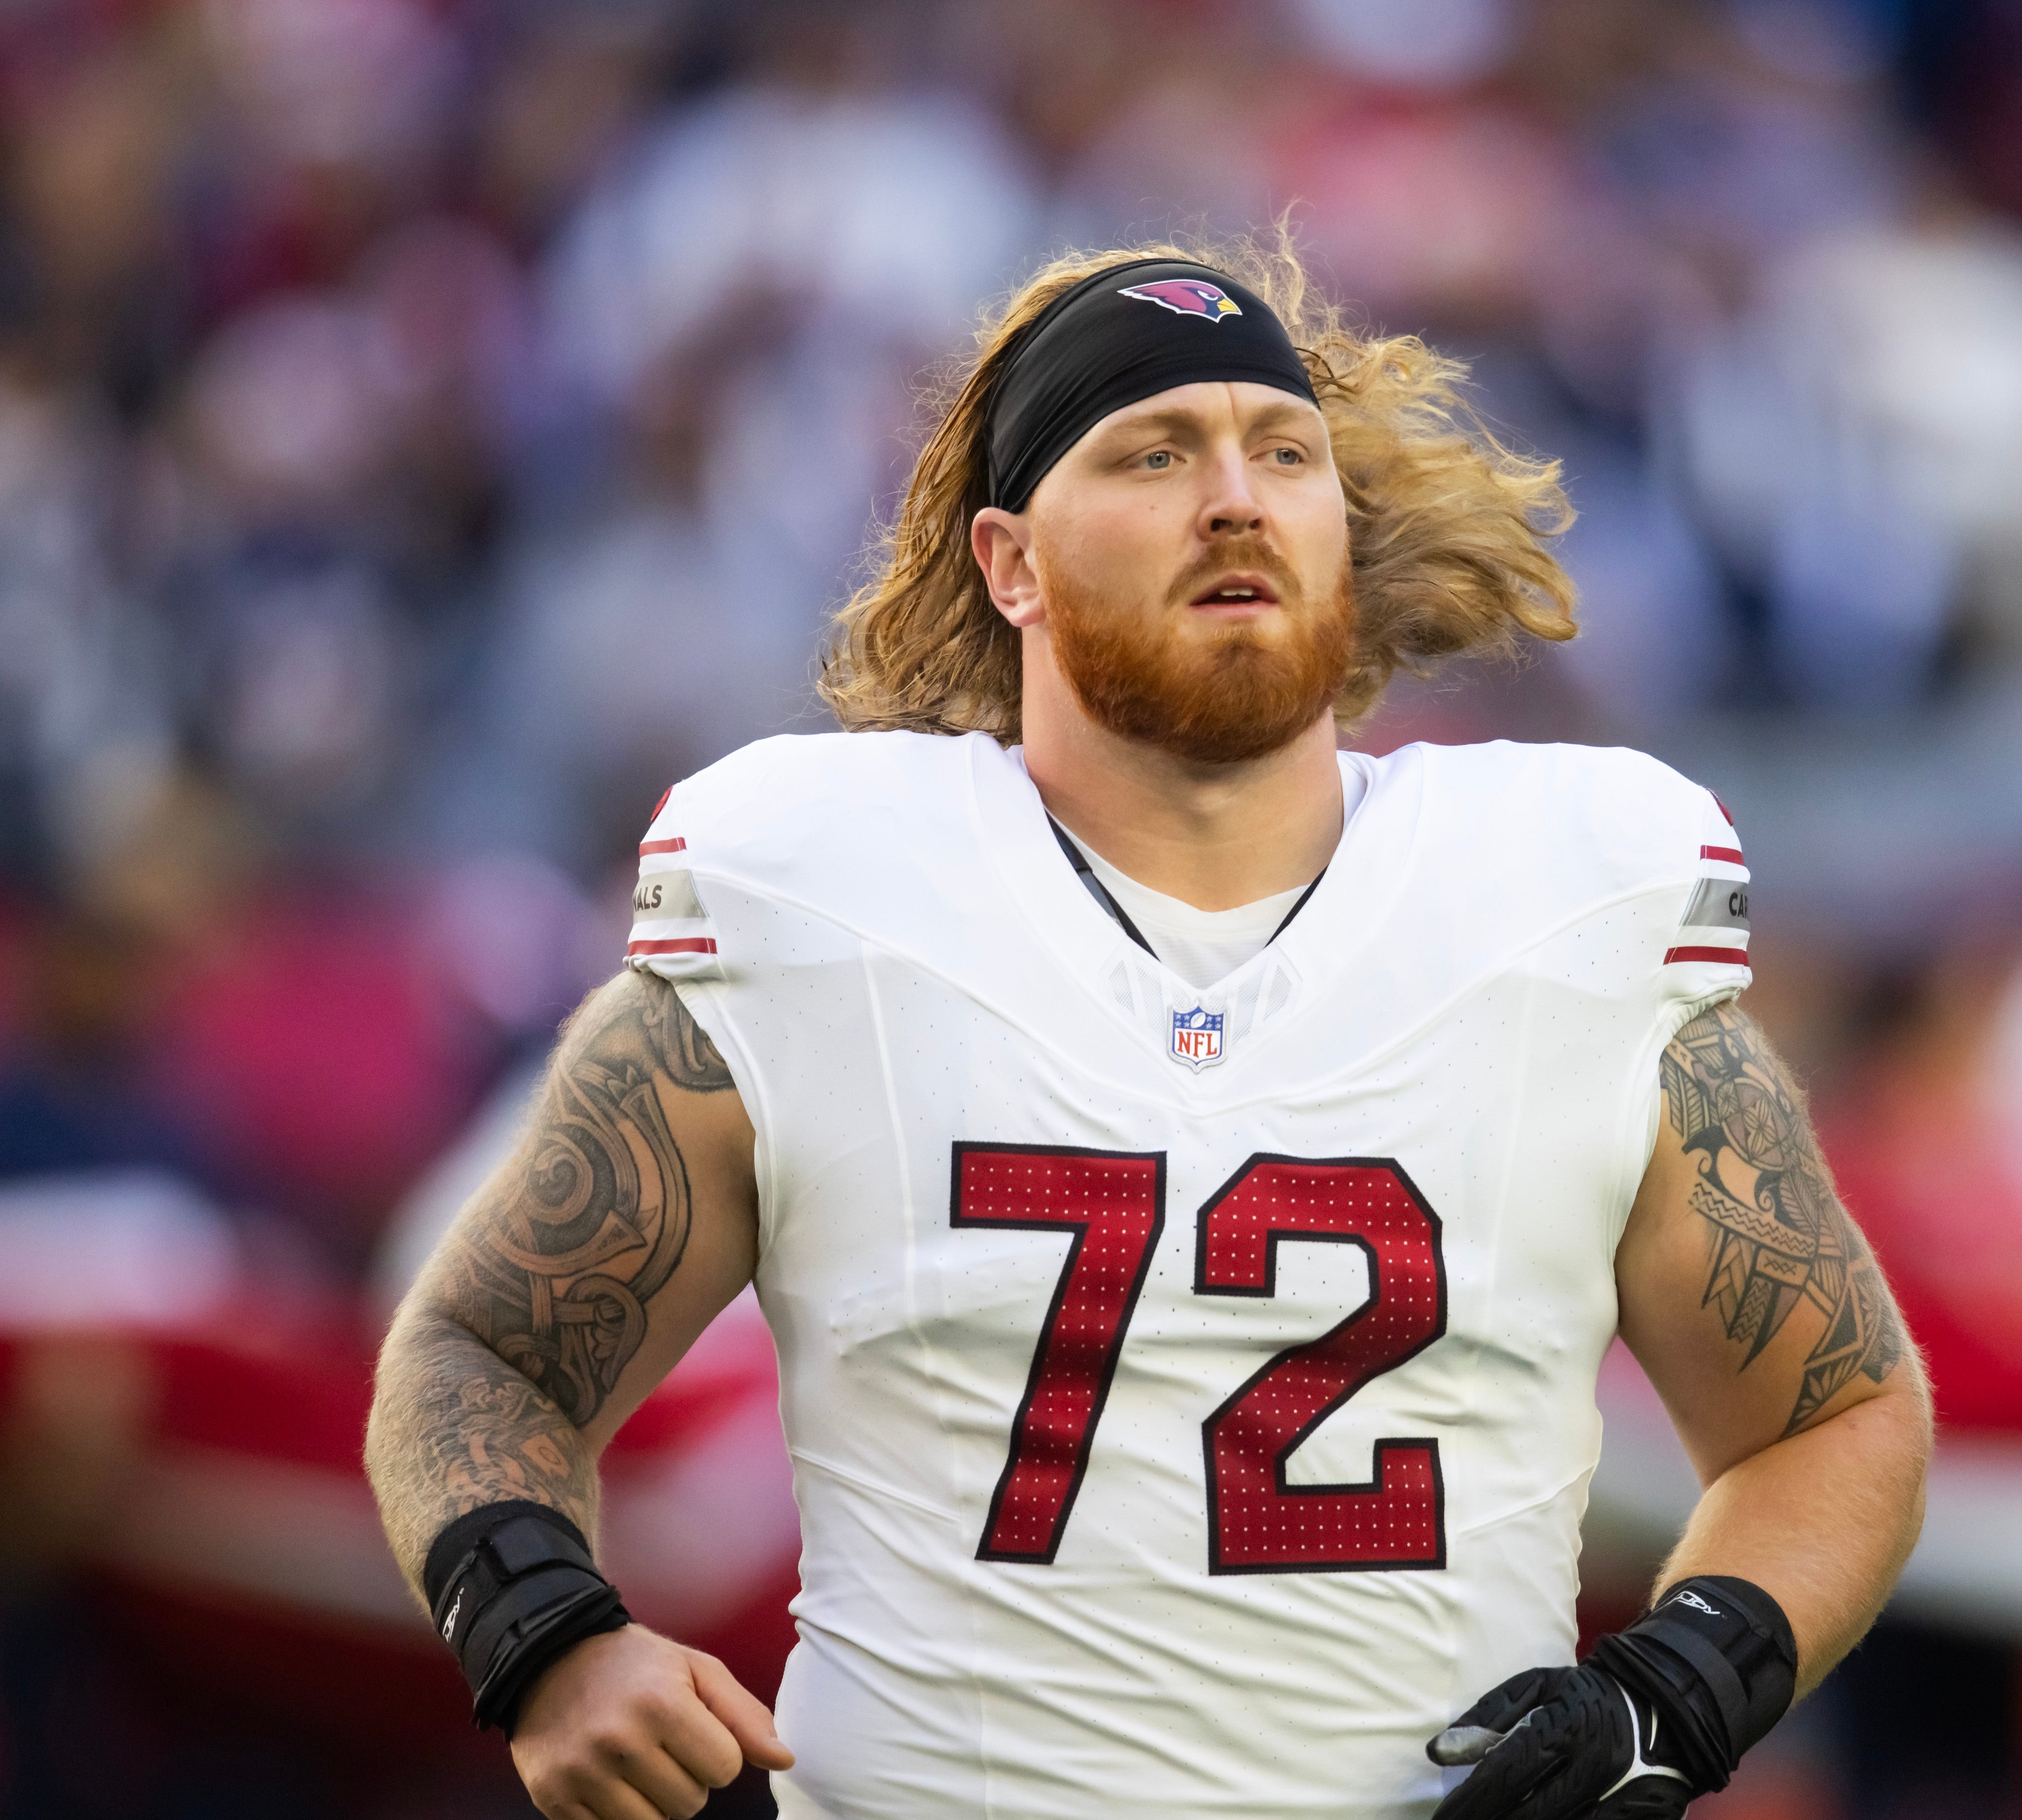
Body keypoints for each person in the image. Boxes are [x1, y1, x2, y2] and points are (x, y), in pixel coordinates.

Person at [364, 236, 1932, 1820]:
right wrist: (545, 1638)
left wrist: (1679, 1686)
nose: (1236, 495)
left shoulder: (1563, 890)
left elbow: (1835, 1414)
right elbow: (482, 1347)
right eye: (1153, 452)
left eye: (1283, 450)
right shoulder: (824, 889)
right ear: (1010, 563)